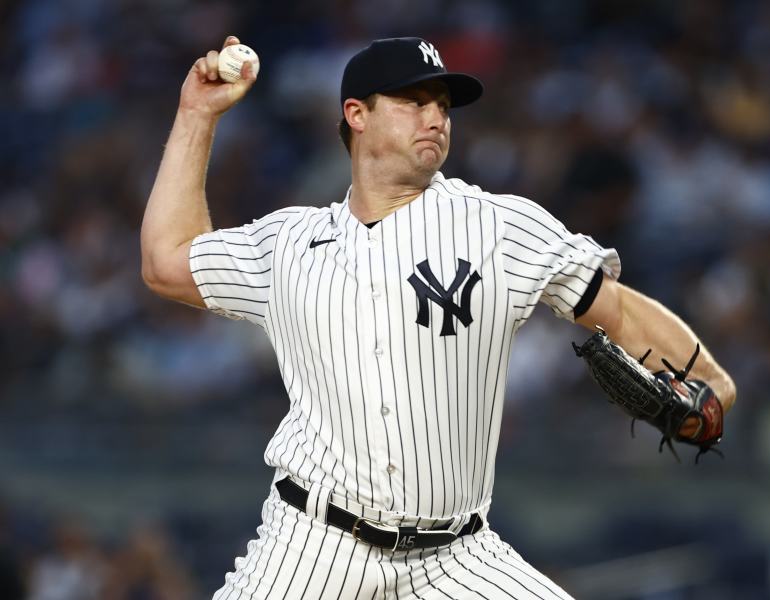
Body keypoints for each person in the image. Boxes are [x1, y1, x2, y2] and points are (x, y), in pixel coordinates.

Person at [141, 35, 736, 599]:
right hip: (309, 547)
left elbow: (620, 311)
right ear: (357, 114)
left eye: (444, 105)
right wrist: (198, 114)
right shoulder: (290, 244)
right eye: (413, 101)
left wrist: (711, 383)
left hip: (453, 557)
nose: (435, 117)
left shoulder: (498, 227)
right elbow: (166, 262)